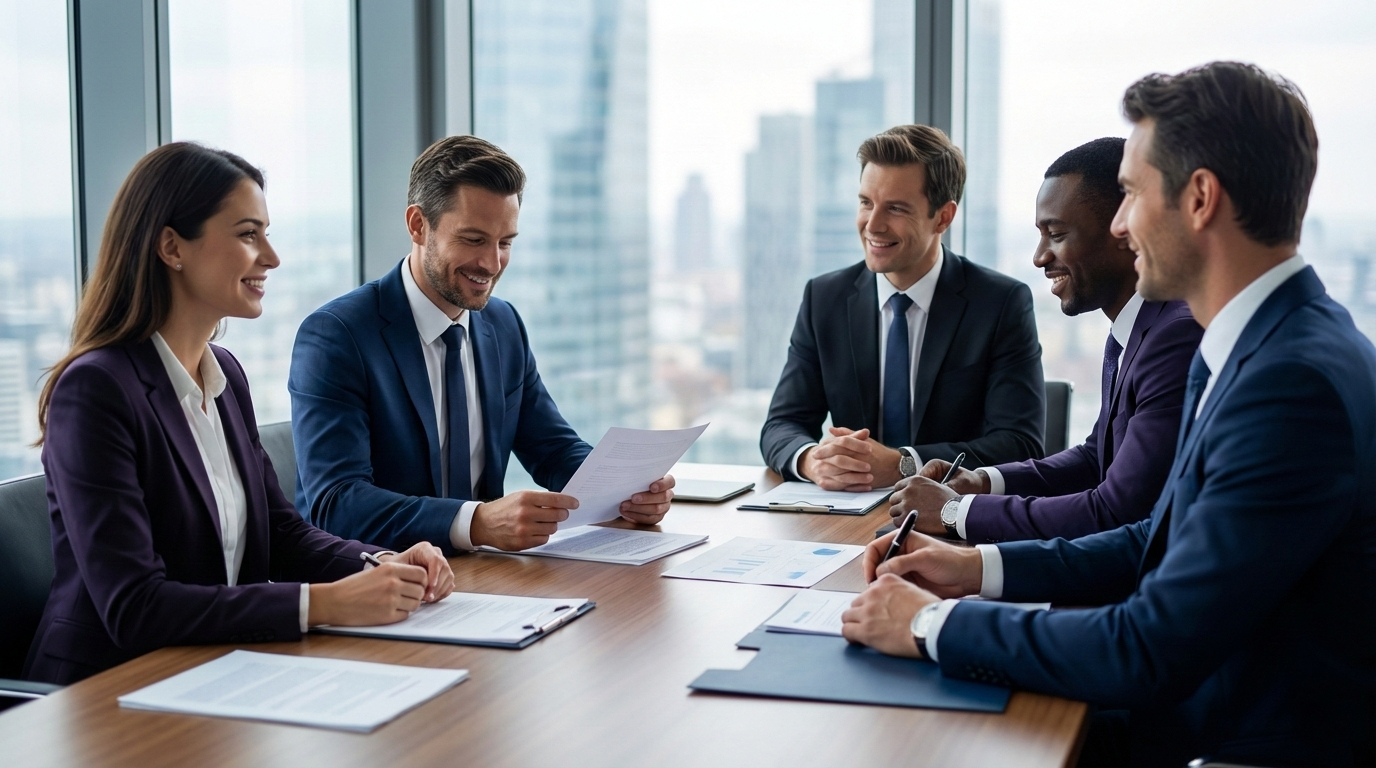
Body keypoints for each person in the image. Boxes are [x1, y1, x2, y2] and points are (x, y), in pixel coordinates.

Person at [841, 62, 1376, 767]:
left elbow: (1150, 647)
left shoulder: (1289, 383)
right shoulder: (1258, 344)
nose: (1121, 225)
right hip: (1205, 713)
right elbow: (1150, 539)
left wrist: (931, 624)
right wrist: (969, 570)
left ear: (1200, 198)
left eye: (1128, 193)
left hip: (1232, 742)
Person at [25, 143, 453, 686]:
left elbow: (281, 533)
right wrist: (321, 605)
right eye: (249, 234)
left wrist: (381, 562)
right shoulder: (95, 390)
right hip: (108, 694)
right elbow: (134, 606)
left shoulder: (224, 375)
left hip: (213, 671)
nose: (271, 257)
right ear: (171, 247)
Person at [288, 136, 674, 554]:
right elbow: (336, 503)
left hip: (483, 579)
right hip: (382, 581)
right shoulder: (337, 336)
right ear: (418, 225)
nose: (492, 264)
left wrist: (627, 491)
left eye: (505, 242)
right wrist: (477, 523)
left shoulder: (502, 324)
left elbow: (552, 448)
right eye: (473, 240)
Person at [888, 138, 1202, 544]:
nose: (1039, 257)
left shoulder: (1174, 336)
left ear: (1123, 230)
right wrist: (981, 482)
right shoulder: (1132, 330)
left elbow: (1116, 509)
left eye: (1056, 234)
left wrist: (954, 511)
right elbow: (1096, 458)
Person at [759, 124, 1045, 493]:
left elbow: (1020, 444)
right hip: (845, 517)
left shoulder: (1001, 303)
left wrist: (903, 464)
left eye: (895, 208)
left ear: (943, 217)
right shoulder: (825, 298)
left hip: (954, 522)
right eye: (866, 203)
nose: (872, 225)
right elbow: (782, 424)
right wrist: (812, 460)